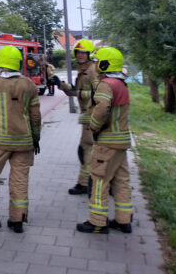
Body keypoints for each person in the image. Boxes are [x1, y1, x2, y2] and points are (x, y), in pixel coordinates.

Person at [0, 45, 42, 234]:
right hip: (24, 143)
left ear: (0, 61)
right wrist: (36, 138)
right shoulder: (29, 84)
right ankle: (17, 221)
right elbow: (36, 116)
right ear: (18, 63)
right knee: (20, 180)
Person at [76, 46, 133, 234]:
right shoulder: (122, 83)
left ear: (105, 63)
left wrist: (93, 126)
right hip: (122, 141)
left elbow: (101, 108)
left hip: (107, 142)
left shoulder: (106, 84)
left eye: (98, 61)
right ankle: (124, 221)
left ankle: (97, 221)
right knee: (121, 180)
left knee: (100, 179)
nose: (96, 64)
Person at [54, 38, 99, 195]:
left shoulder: (92, 70)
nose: (80, 55)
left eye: (83, 53)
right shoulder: (83, 69)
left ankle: (86, 183)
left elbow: (98, 93)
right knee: (85, 150)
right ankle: (86, 182)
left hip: (92, 115)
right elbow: (77, 91)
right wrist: (62, 86)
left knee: (86, 150)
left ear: (89, 54)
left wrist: (77, 92)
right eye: (78, 52)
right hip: (86, 114)